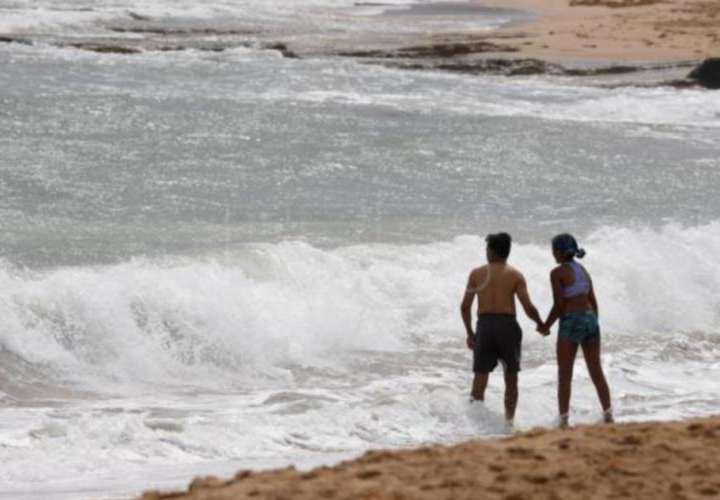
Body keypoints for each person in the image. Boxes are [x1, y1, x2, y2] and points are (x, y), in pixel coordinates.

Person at [460, 232, 544, 428]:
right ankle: (508, 424)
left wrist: (470, 333)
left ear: (491, 251)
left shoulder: (476, 273)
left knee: (480, 378)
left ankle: (473, 426)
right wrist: (541, 324)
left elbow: (465, 307)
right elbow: (528, 307)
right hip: (507, 327)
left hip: (485, 327)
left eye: (487, 249)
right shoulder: (515, 275)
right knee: (511, 378)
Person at [539, 233, 613, 428]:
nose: (553, 254)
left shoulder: (557, 273)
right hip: (590, 319)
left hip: (571, 320)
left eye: (554, 250)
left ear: (559, 252)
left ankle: (563, 420)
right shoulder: (583, 270)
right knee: (596, 370)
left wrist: (545, 326)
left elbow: (559, 305)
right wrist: (593, 323)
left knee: (565, 373)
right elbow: (594, 302)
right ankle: (608, 414)